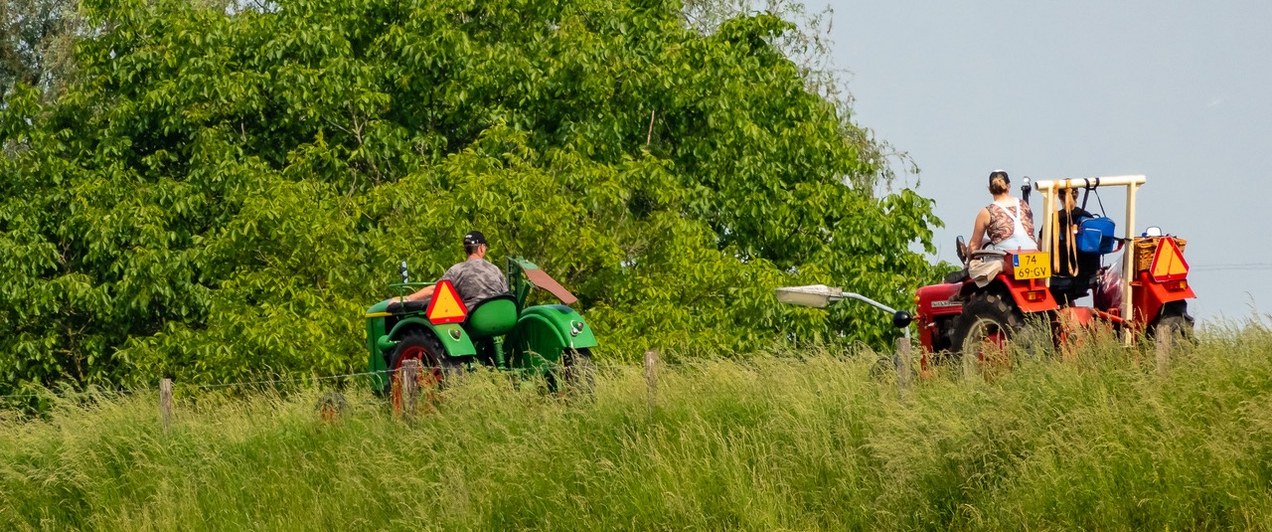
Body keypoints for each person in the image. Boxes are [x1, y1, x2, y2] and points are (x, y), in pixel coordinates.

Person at [397, 231, 509, 310]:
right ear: (481, 248)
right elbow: (505, 293)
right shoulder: (495, 269)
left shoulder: (457, 270)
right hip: (499, 315)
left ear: (465, 250)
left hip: (474, 318)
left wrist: (409, 298)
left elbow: (435, 290)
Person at [970, 170, 1037, 252]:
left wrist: (968, 260)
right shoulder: (1024, 205)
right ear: (1008, 186)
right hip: (1033, 251)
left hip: (1006, 255)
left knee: (983, 242)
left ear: (990, 189)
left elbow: (974, 245)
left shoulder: (987, 211)